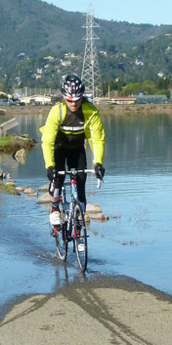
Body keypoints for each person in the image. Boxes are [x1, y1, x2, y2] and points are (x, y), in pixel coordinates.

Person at [40, 75, 106, 234]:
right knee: (58, 178)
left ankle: (78, 225)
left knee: (81, 183)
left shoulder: (90, 111)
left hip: (77, 149)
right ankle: (55, 208)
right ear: (63, 97)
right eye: (69, 100)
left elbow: (97, 139)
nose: (73, 103)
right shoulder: (57, 111)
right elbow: (47, 141)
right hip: (58, 147)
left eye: (77, 99)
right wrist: (50, 166)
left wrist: (98, 163)